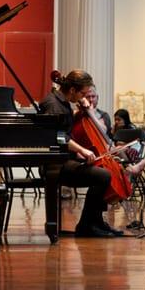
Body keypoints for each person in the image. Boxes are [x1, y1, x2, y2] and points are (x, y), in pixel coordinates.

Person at [39, 69, 123, 237]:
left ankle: (96, 221)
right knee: (103, 176)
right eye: (83, 93)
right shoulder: (54, 105)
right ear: (72, 90)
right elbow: (59, 137)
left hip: (65, 160)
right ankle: (86, 225)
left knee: (101, 171)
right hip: (55, 165)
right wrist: (82, 150)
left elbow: (67, 130)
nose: (84, 97)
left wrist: (85, 111)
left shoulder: (63, 103)